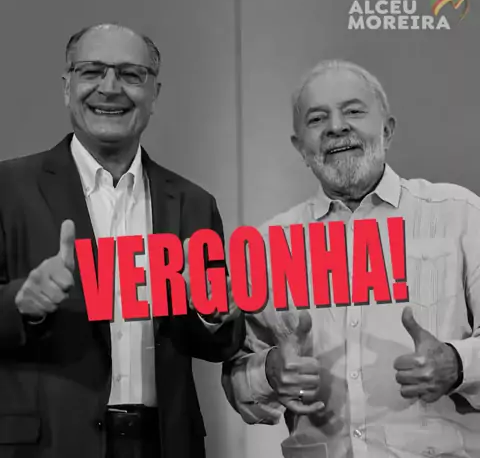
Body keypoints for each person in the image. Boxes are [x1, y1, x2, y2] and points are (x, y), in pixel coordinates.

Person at [0, 23, 244, 458]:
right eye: (92, 71)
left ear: (154, 93)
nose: (110, 88)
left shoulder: (193, 203)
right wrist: (22, 303)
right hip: (48, 446)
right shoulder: (8, 188)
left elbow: (218, 344)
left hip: (164, 443)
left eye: (131, 75)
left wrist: (213, 312)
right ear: (67, 86)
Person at [222, 59, 480, 458]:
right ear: (300, 147)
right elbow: (239, 380)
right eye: (317, 118)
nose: (336, 127)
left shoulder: (460, 214)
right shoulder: (267, 244)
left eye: (353, 111)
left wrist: (458, 364)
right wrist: (270, 372)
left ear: (387, 130)